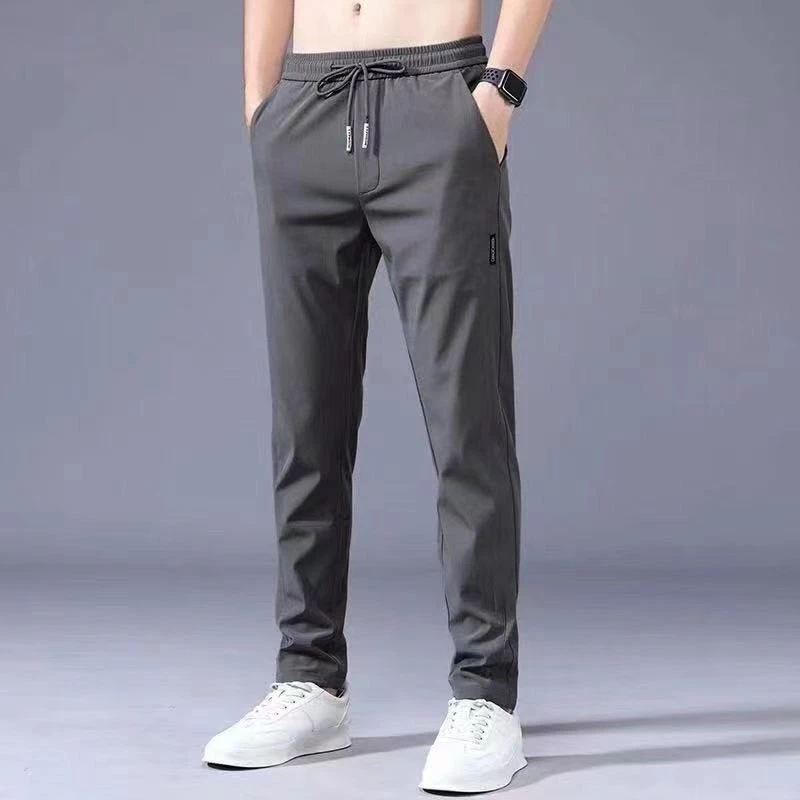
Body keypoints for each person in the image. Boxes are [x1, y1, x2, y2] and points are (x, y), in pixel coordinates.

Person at [203, 0, 552, 792]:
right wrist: (261, 104)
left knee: (467, 419)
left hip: (438, 100)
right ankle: (309, 678)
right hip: (304, 107)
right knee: (305, 420)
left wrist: (499, 90)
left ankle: (485, 693)